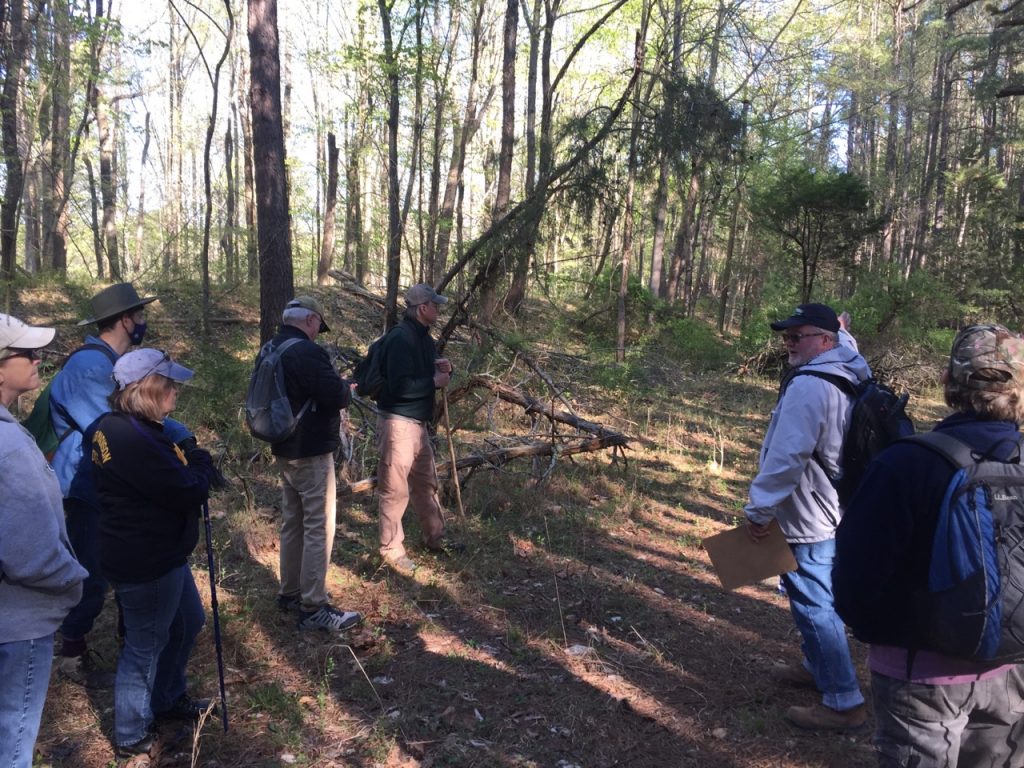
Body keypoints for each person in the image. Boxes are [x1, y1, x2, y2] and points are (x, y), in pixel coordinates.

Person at [835, 324, 1024, 767]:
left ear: (948, 383)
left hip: (919, 674)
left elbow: (855, 581)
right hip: (1014, 668)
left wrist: (881, 637)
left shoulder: (905, 463)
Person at [50, 282, 194, 687]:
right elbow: (119, 425)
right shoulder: (88, 368)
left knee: (114, 565)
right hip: (89, 483)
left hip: (108, 481)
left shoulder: (112, 361)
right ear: (125, 319)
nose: (143, 322)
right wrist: (178, 437)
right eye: (140, 316)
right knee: (92, 569)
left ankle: (130, 639)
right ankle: (72, 652)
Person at [744, 303, 870, 731]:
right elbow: (846, 342)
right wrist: (843, 330)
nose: (788, 345)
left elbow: (786, 456)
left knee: (814, 604)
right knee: (815, 596)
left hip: (809, 514)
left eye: (797, 337)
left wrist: (759, 510)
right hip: (834, 507)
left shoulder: (810, 386)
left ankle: (843, 700)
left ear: (824, 341)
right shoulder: (849, 365)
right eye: (786, 337)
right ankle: (819, 669)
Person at [90, 348, 220, 759]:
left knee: (187, 622)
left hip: (158, 552)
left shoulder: (120, 427)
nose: (176, 394)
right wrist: (198, 459)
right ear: (150, 389)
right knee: (144, 645)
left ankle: (167, 698)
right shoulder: (130, 438)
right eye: (171, 387)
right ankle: (132, 733)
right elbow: (185, 490)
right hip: (145, 558)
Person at [0, 314, 88, 768]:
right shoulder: (8, 445)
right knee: (13, 744)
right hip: (20, 622)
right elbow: (27, 548)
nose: (39, 359)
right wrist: (71, 581)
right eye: (26, 353)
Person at [265, 295, 361, 633]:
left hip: (284, 447)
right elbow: (334, 395)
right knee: (319, 527)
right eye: (319, 325)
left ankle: (290, 592)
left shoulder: (271, 347)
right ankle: (314, 606)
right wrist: (346, 388)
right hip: (310, 450)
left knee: (293, 523)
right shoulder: (306, 352)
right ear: (309, 320)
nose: (319, 332)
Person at [376, 284, 454, 575]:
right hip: (397, 424)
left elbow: (427, 374)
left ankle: (435, 537)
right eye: (435, 305)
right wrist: (434, 382)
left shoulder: (424, 338)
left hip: (418, 426)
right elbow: (397, 388)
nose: (439, 309)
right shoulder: (400, 338)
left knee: (426, 484)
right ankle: (391, 549)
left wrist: (446, 369)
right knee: (394, 490)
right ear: (423, 309)